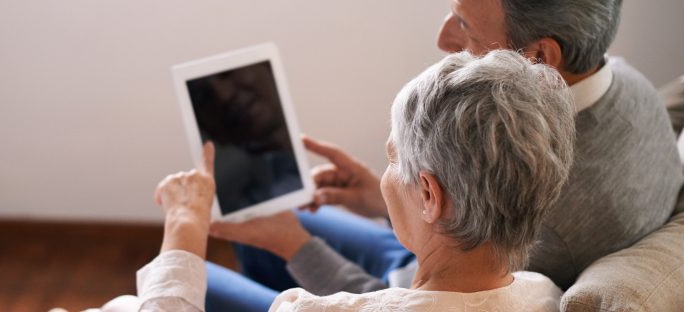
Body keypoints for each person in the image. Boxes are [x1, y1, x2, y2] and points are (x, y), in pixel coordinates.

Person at [205, 1, 684, 310]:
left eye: (465, 24)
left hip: (412, 286)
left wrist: (297, 249)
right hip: (430, 246)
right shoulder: (622, 81)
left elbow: (429, 301)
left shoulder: (559, 221)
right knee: (260, 217)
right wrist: (386, 193)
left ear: (540, 57)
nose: (443, 39)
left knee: (225, 261)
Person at [97, 50, 577, 311]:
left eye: (393, 160)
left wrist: (182, 228)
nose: (388, 176)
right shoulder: (547, 295)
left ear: (430, 195)